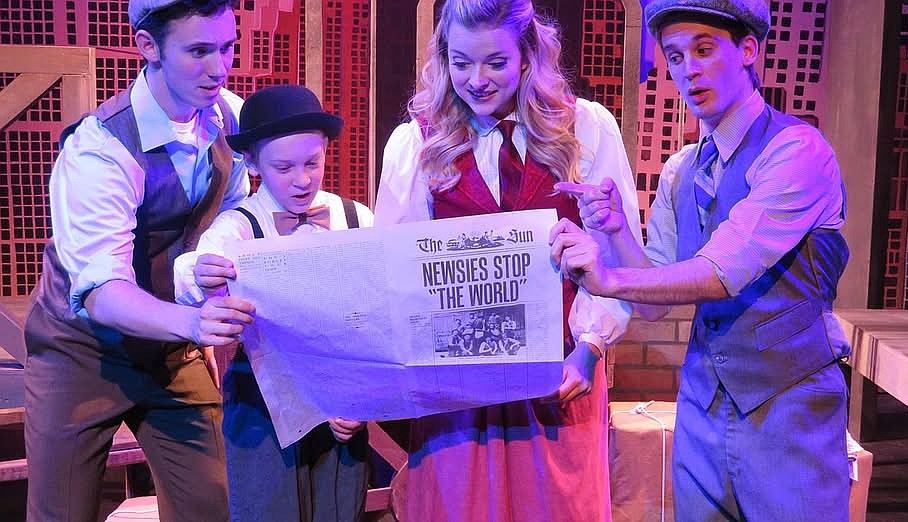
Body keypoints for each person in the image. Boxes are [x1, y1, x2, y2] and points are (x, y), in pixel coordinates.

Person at [549, 0, 853, 520]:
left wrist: (605, 278)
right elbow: (653, 304)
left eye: (704, 49)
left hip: (787, 406)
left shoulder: (798, 151)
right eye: (675, 56)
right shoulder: (681, 170)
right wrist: (616, 232)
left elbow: (719, 273)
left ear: (748, 50)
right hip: (702, 410)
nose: (688, 68)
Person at [375, 0, 640, 519]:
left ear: (526, 56)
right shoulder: (416, 142)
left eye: (495, 62)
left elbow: (615, 257)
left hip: (560, 381)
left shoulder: (585, 128)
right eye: (461, 62)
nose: (476, 80)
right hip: (458, 397)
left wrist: (590, 348)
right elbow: (397, 273)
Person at [22, 1, 252, 520]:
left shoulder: (227, 117)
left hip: (171, 350)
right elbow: (102, 294)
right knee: (61, 513)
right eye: (199, 51)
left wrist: (213, 263)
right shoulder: (100, 147)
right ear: (149, 47)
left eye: (227, 47)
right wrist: (194, 323)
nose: (219, 67)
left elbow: (234, 208)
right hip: (82, 351)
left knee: (216, 505)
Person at [173, 84, 373, 522]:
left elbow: (378, 316)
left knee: (339, 508)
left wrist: (360, 399)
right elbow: (191, 273)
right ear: (252, 163)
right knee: (267, 508)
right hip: (262, 400)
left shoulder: (356, 218)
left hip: (340, 392)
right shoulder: (239, 225)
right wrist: (201, 273)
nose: (302, 180)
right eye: (284, 167)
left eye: (312, 163)